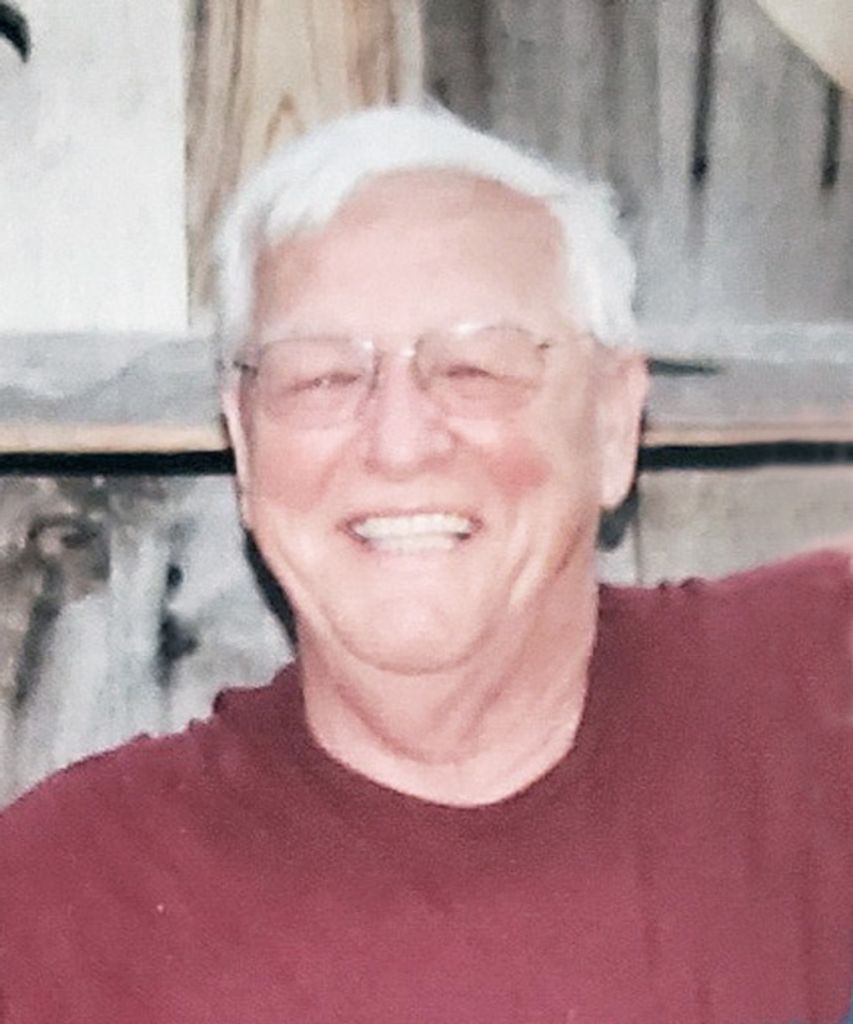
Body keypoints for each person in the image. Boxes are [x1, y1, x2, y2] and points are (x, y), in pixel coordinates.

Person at [1, 106, 851, 1024]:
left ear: (612, 423)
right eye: (323, 377)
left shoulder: (816, 692)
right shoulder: (64, 900)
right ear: (244, 446)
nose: (400, 444)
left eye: (474, 368)